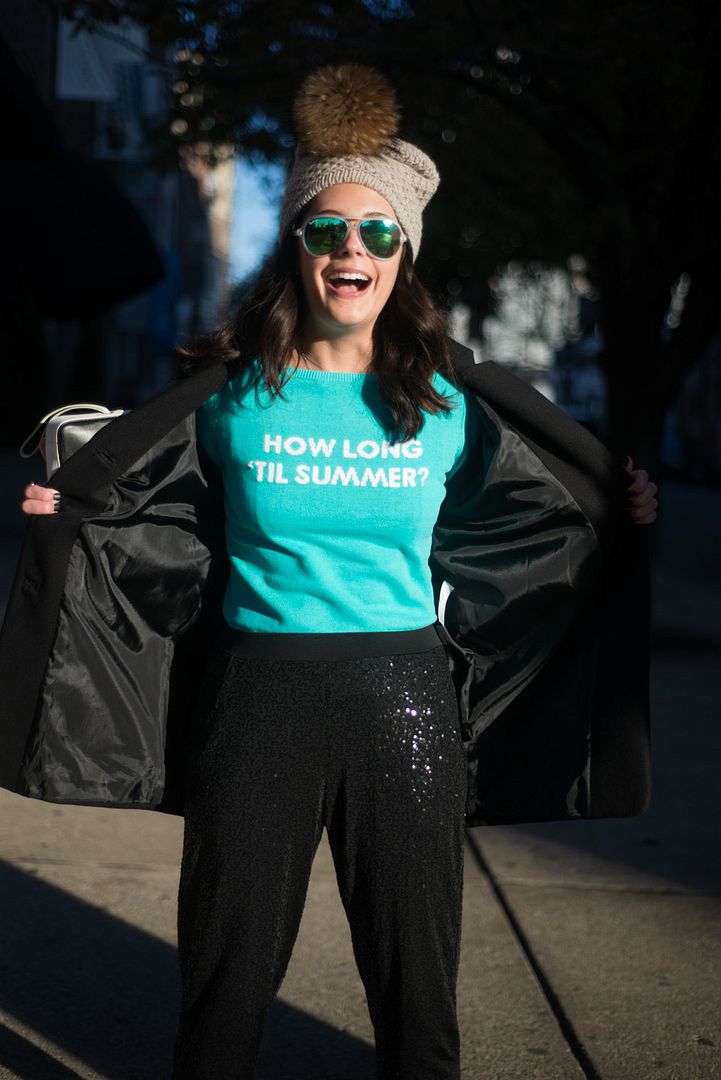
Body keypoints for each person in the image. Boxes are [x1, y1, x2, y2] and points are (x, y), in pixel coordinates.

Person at [7, 64, 657, 1080]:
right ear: (297, 247)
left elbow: (545, 518)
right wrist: (67, 508)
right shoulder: (229, 395)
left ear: (404, 255)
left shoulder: (452, 402)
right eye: (325, 230)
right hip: (258, 700)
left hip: (404, 706)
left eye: (376, 232)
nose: (350, 248)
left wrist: (621, 516)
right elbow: (141, 501)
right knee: (224, 990)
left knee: (415, 999)